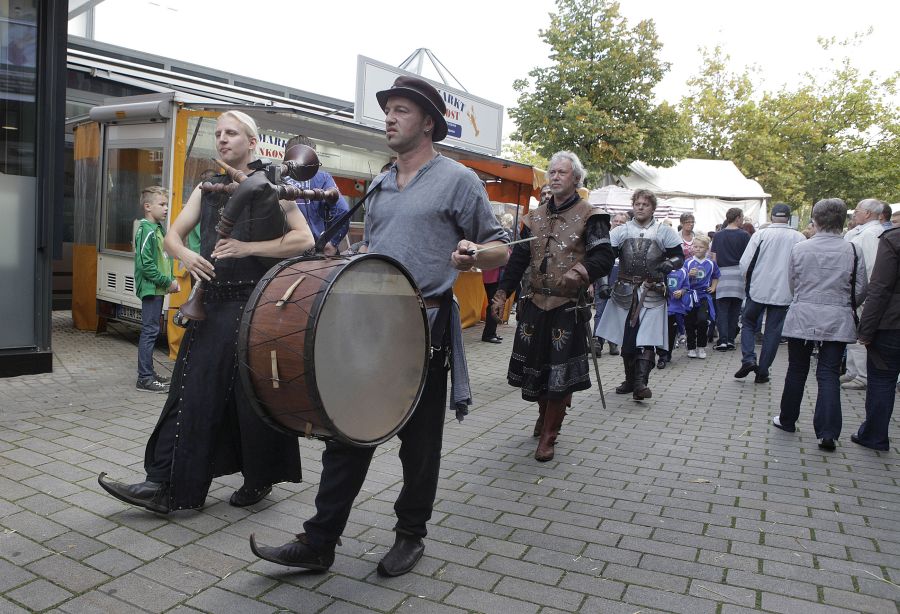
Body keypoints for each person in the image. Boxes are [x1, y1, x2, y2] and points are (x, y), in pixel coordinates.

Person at [249, 76, 508, 577]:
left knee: (419, 443)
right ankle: (319, 541)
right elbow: (376, 248)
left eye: (402, 110)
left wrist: (475, 254)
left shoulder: (458, 179)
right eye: (388, 109)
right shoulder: (382, 182)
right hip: (372, 325)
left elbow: (498, 245)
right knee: (349, 430)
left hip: (425, 327)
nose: (389, 118)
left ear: (428, 123)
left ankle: (411, 535)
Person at [98, 111, 314, 514]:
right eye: (218, 133)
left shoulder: (271, 184)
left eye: (231, 133)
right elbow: (172, 237)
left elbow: (304, 239)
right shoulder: (208, 185)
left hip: (257, 306)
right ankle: (164, 484)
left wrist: (248, 248)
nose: (222, 139)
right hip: (211, 305)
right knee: (190, 389)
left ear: (252, 141)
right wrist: (185, 255)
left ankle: (259, 477)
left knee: (253, 395)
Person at [491, 151, 613, 462]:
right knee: (536, 368)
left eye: (562, 172)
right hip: (534, 303)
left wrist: (581, 271)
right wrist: (502, 292)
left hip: (566, 306)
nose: (555, 176)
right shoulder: (534, 217)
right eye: (552, 172)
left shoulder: (592, 215)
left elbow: (604, 257)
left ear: (576, 179)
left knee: (559, 373)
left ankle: (549, 434)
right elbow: (519, 258)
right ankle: (544, 415)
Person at [772, 199, 867, 451]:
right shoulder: (853, 250)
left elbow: (792, 282)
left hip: (803, 313)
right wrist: (844, 304)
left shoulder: (800, 248)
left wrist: (804, 299)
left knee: (797, 368)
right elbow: (860, 288)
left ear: (815, 219)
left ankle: (787, 419)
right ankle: (828, 432)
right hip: (837, 317)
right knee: (828, 373)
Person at [596, 190, 683, 400]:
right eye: (637, 204)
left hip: (653, 291)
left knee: (647, 338)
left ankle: (640, 383)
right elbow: (605, 260)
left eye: (645, 204)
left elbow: (679, 256)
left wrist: (670, 263)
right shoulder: (621, 231)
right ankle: (629, 380)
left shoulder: (664, 232)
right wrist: (604, 284)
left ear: (653, 208)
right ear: (633, 206)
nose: (641, 207)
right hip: (624, 291)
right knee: (627, 338)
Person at [734, 203, 805, 384]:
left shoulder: (761, 235)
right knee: (773, 331)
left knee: (748, 322)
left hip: (758, 288)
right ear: (788, 218)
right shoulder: (799, 237)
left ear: (772, 216)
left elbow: (745, 262)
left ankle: (749, 358)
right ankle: (763, 370)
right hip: (784, 291)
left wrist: (746, 281)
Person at [852, 221, 899, 451]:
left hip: (892, 325)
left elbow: (880, 288)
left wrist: (866, 329)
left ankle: (874, 435)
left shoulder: (893, 239)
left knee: (882, 379)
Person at [134, 186, 179, 393]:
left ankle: (149, 373)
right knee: (149, 332)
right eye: (162, 204)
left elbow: (164, 258)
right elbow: (145, 265)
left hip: (158, 288)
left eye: (166, 204)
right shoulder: (146, 230)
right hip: (151, 289)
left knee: (152, 330)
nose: (166, 208)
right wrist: (166, 282)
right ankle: (144, 378)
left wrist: (170, 279)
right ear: (147, 206)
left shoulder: (157, 229)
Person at [841, 199, 887, 390]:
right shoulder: (864, 232)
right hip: (856, 292)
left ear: (868, 213)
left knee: (860, 334)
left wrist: (862, 292)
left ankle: (862, 375)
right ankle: (852, 371)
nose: (855, 214)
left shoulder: (870, 234)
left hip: (862, 293)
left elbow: (870, 266)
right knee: (853, 333)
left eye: (858, 211)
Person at [283, 135, 350, 256]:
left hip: (284, 251)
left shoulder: (277, 178)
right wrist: (332, 243)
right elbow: (343, 210)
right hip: (316, 253)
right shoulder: (323, 178)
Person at [710, 208, 751, 351]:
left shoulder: (718, 235)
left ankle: (722, 340)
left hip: (722, 274)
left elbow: (714, 258)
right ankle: (731, 340)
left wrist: (714, 277)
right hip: (738, 274)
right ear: (738, 218)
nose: (742, 220)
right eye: (742, 217)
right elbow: (748, 258)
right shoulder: (744, 235)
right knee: (735, 309)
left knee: (722, 309)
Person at [593, 212, 628, 355]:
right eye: (616, 221)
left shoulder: (627, 240)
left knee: (616, 314)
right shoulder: (603, 239)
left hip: (620, 283)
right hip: (603, 281)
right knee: (600, 313)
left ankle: (613, 342)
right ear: (611, 222)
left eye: (621, 222)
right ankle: (598, 343)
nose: (618, 223)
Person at [683, 235, 720, 359]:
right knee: (689, 322)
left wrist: (713, 287)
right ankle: (691, 347)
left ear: (707, 249)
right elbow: (681, 278)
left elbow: (716, 276)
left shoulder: (711, 263)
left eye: (701, 247)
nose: (698, 249)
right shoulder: (688, 262)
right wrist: (689, 275)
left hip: (703, 295)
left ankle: (701, 346)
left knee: (702, 320)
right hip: (689, 296)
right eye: (695, 246)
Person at [658, 264, 691, 369]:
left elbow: (687, 287)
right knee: (660, 332)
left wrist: (681, 292)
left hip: (675, 307)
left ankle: (667, 354)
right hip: (659, 305)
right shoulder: (660, 268)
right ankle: (661, 355)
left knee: (670, 333)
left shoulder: (683, 271)